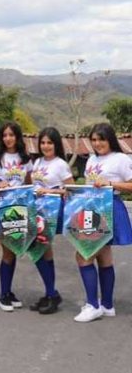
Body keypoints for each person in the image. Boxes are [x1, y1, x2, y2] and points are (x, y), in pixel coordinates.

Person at [74, 123, 132, 323]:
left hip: (108, 208)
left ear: (110, 139)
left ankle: (92, 305)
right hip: (91, 209)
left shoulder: (120, 159)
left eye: (101, 139)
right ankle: (107, 305)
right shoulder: (91, 159)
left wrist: (110, 184)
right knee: (104, 256)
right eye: (94, 140)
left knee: (83, 254)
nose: (97, 143)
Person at [0, 122, 33, 312]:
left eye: (11, 135)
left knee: (13, 250)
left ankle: (9, 291)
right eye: (4, 135)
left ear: (17, 137)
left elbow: (29, 185)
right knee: (7, 251)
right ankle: (4, 294)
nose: (7, 138)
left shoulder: (25, 158)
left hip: (20, 208)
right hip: (1, 208)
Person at [29, 127, 73, 315]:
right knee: (41, 251)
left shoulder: (61, 164)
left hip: (51, 212)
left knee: (41, 248)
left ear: (56, 144)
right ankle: (51, 293)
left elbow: (71, 190)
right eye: (43, 142)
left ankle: (51, 294)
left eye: (49, 142)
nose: (45, 146)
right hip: (36, 210)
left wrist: (48, 192)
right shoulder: (36, 161)